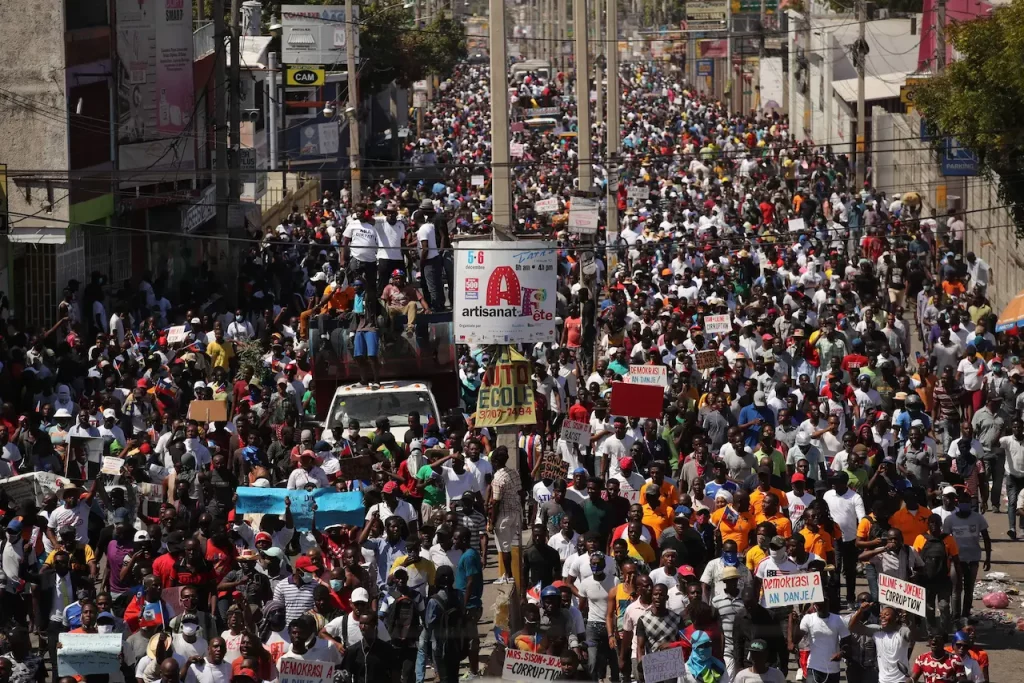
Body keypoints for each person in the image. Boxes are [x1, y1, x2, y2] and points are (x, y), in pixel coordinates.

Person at [788, 601, 850, 683]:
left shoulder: (838, 619)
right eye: (819, 604)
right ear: (815, 606)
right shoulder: (808, 619)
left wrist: (842, 653)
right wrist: (795, 623)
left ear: (828, 605)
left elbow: (847, 641)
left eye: (825, 604)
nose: (822, 607)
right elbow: (796, 639)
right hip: (814, 666)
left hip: (833, 668)